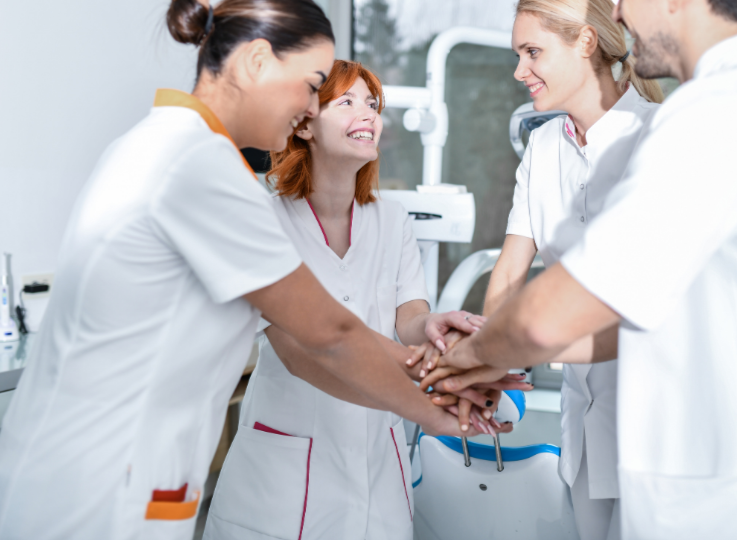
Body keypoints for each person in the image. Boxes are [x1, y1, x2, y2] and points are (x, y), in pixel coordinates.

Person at [0, 0, 481, 540]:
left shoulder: (168, 145)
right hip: (90, 498)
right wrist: (442, 402)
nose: (309, 108)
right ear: (258, 61)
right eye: (313, 86)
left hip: (105, 483)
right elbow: (328, 334)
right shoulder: (199, 166)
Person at [428, 0, 737, 538]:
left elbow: (546, 319)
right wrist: (491, 364)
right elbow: (642, 322)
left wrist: (468, 361)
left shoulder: (715, 117)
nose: (619, 13)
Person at [203, 60, 520, 540]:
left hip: (378, 460)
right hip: (285, 473)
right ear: (304, 123)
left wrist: (432, 328)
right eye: (347, 102)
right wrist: (431, 395)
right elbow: (302, 353)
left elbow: (409, 316)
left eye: (373, 105)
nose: (368, 114)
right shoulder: (265, 222)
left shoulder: (393, 221)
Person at [483, 0, 663, 540]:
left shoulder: (656, 136)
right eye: (518, 54)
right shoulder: (542, 145)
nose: (520, 71)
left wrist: (513, 347)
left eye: (533, 52)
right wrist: (493, 364)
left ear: (586, 42)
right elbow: (510, 271)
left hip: (652, 419)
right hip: (582, 418)